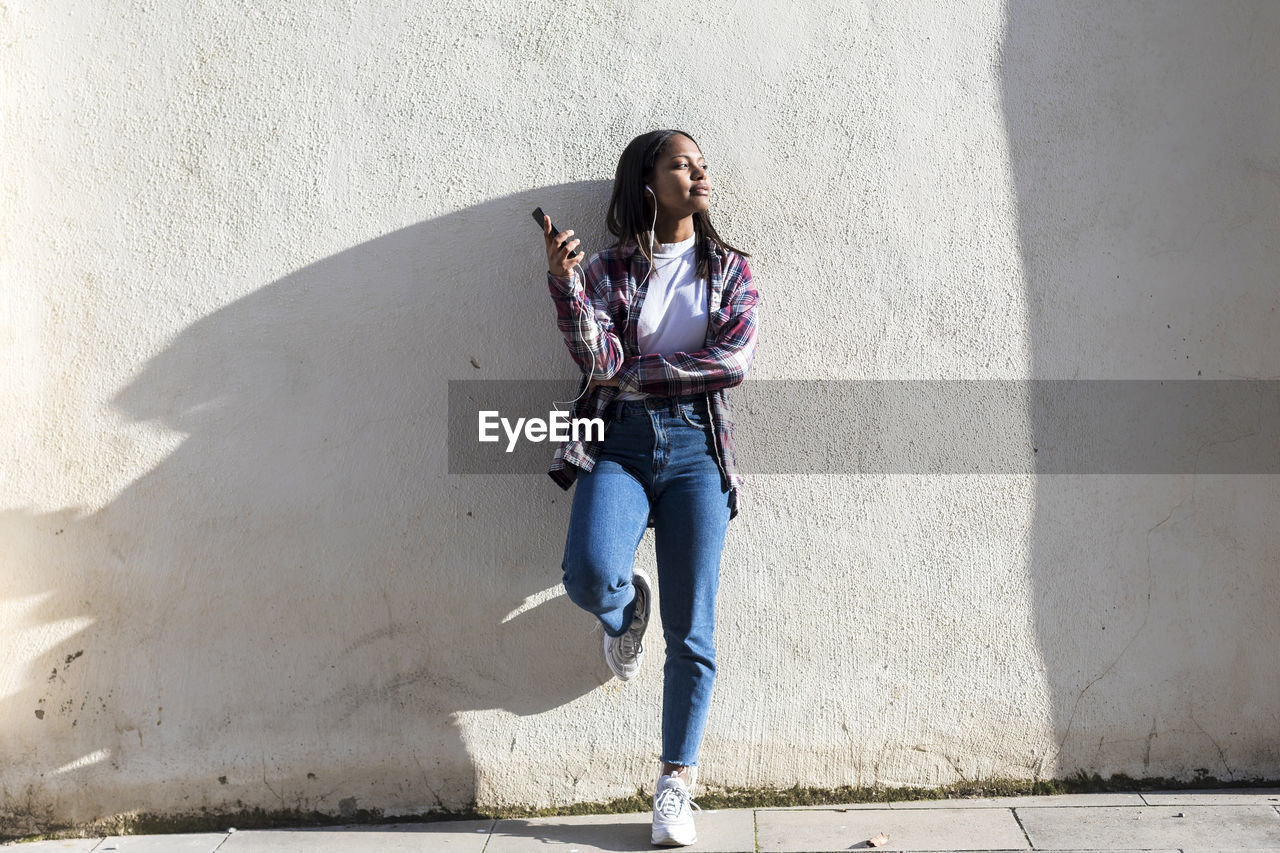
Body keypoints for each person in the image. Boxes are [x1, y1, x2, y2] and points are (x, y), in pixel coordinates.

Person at [539, 128, 759, 847]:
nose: (698, 171)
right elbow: (598, 356)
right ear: (647, 182)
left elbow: (730, 361)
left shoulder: (732, 270)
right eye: (681, 163)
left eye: (701, 162)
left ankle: (674, 784)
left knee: (692, 631)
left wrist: (633, 372)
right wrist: (566, 284)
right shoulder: (604, 269)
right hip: (621, 440)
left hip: (699, 444)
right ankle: (623, 607)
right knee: (589, 573)